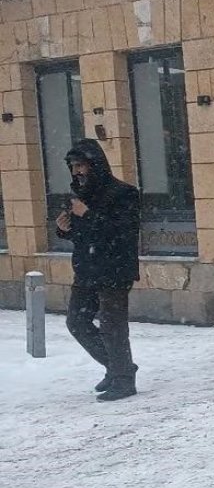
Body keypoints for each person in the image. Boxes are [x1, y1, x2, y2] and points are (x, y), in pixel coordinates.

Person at [55, 138, 141, 402]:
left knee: (112, 327)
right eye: (73, 166)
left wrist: (88, 215)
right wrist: (64, 229)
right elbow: (85, 235)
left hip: (115, 270)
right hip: (87, 270)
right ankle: (118, 367)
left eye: (81, 165)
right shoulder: (80, 195)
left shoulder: (124, 193)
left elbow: (122, 233)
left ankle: (124, 381)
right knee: (77, 322)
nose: (77, 171)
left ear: (95, 164)